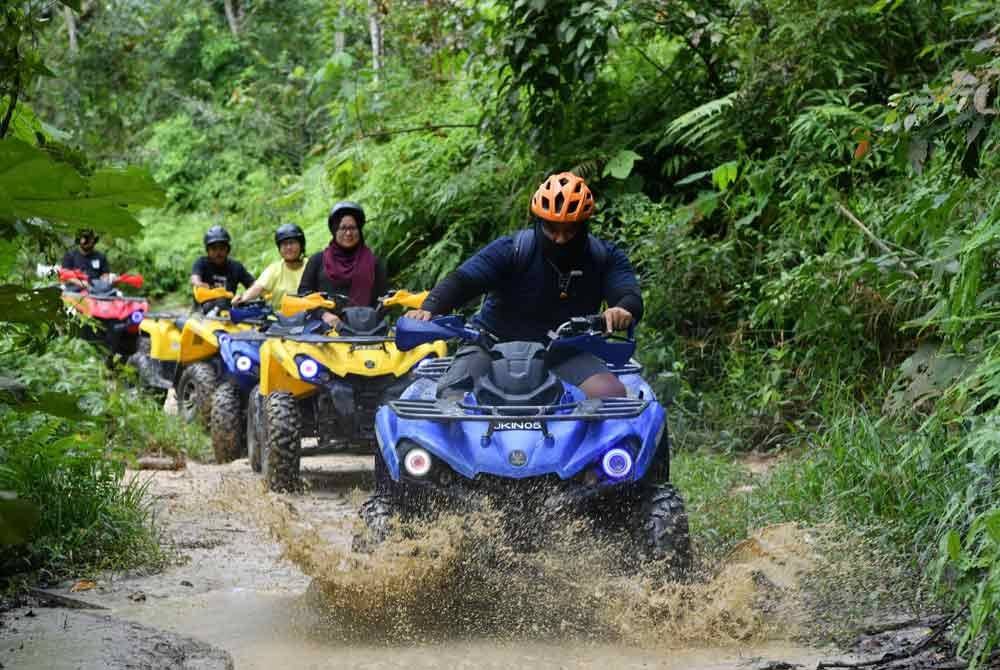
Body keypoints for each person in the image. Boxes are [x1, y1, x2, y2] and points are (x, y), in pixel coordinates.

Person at [405, 172, 642, 399]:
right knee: (451, 396)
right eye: (551, 229)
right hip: (492, 345)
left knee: (611, 395)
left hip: (565, 350)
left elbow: (627, 294)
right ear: (538, 223)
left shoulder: (604, 256)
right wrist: (431, 307)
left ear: (584, 225)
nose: (560, 239)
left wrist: (622, 309)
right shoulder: (511, 249)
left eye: (570, 231)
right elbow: (465, 280)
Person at [298, 201, 387, 328]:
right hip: (323, 328)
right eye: (343, 228)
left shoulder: (374, 262)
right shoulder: (318, 260)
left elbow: (384, 298)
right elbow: (304, 293)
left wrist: (373, 317)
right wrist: (323, 314)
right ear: (334, 230)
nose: (348, 233)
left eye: (353, 228)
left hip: (366, 330)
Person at [232, 224, 307, 309]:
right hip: (281, 318)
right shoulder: (274, 269)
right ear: (279, 248)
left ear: (301, 245)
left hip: (311, 316)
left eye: (292, 243)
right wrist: (242, 299)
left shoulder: (311, 265)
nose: (289, 247)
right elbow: (257, 288)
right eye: (284, 244)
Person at [190, 225, 255, 294]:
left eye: (222, 248)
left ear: (228, 250)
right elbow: (195, 279)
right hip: (204, 303)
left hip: (229, 303)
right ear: (208, 251)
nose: (218, 253)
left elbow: (253, 285)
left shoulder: (236, 267)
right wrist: (200, 284)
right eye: (214, 249)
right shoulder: (201, 263)